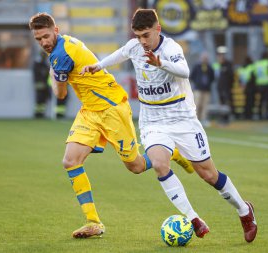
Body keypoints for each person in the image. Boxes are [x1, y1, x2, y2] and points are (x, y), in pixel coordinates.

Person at [82, 9, 257, 243]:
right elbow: (120, 54)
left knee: (208, 174)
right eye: (138, 35)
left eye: (146, 35)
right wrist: (98, 65)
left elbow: (184, 71)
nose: (142, 41)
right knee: (159, 164)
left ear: (158, 30)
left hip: (182, 119)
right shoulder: (135, 46)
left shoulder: (171, 49)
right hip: (153, 121)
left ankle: (244, 211)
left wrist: (160, 63)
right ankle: (194, 218)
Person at [28, 12, 192, 239]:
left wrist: (53, 75)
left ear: (55, 30)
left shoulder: (60, 55)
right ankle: (93, 222)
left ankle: (172, 152)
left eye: (46, 36)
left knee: (135, 166)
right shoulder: (63, 44)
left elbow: (61, 94)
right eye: (38, 39)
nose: (43, 42)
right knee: (70, 160)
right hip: (90, 111)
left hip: (112, 108)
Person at [190, 52, 215, 126]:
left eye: (206, 58)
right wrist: (197, 83)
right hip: (198, 89)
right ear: (201, 58)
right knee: (197, 104)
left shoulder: (209, 67)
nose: (205, 59)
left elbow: (212, 77)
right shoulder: (197, 66)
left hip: (206, 89)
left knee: (205, 105)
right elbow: (192, 76)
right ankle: (195, 119)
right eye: (204, 58)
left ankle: (203, 119)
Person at [216, 46, 235, 120]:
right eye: (220, 55)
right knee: (222, 102)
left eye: (222, 54)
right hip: (220, 87)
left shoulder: (228, 64)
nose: (221, 56)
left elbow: (231, 75)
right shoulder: (217, 64)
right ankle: (223, 116)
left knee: (228, 101)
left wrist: (230, 85)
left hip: (227, 86)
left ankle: (231, 115)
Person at [253, 52, 268, 120]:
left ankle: (259, 114)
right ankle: (266, 114)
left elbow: (255, 74)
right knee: (266, 100)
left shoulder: (257, 64)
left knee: (260, 100)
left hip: (259, 84)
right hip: (267, 83)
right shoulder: (267, 63)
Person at [33, 51, 50, 118]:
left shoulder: (44, 65)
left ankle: (41, 113)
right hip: (40, 84)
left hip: (45, 85)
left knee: (43, 99)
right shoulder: (38, 65)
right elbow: (38, 75)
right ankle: (37, 113)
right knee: (39, 99)